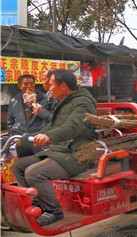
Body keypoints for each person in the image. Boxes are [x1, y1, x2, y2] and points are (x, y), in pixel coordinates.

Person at [12, 69, 97, 226]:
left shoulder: (83, 102)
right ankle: (36, 205)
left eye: (51, 84)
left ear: (63, 86)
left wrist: (49, 137)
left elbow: (74, 126)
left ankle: (53, 211)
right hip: (62, 150)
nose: (48, 88)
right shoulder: (65, 101)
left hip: (78, 153)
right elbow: (52, 126)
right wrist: (26, 140)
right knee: (19, 166)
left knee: (34, 173)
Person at [6, 74, 48, 157]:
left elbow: (49, 118)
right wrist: (13, 136)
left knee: (38, 165)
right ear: (20, 86)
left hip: (37, 139)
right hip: (21, 139)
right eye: (25, 83)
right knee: (22, 164)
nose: (29, 86)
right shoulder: (14, 100)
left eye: (32, 83)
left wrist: (37, 106)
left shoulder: (44, 98)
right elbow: (10, 121)